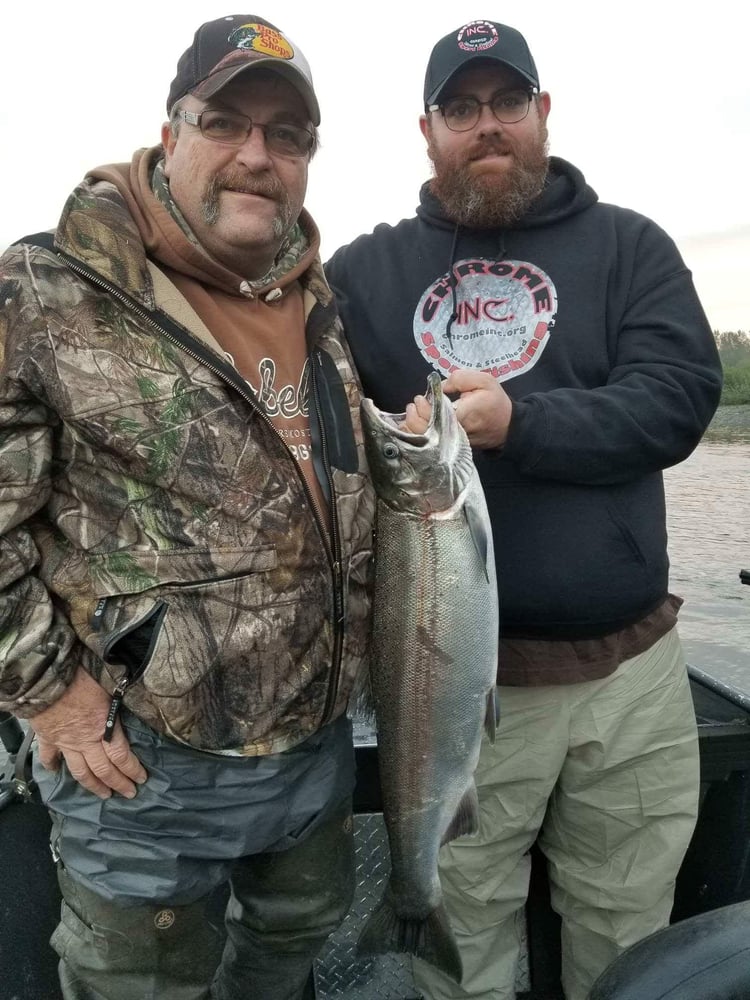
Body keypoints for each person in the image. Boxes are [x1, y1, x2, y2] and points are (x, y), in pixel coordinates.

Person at [325, 18, 722, 1000]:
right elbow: (301, 416)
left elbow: (678, 395)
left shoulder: (630, 247)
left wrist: (522, 424)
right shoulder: (366, 273)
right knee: (466, 934)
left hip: (629, 674)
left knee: (627, 928)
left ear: (542, 114)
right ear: (427, 132)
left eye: (507, 103)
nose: (486, 126)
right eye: (461, 109)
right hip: (449, 685)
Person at [0, 14, 374, 1000]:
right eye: (226, 122)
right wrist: (48, 691)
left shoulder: (317, 297)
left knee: (286, 957)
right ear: (171, 136)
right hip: (141, 769)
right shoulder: (46, 286)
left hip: (313, 756)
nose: (257, 156)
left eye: (287, 136)